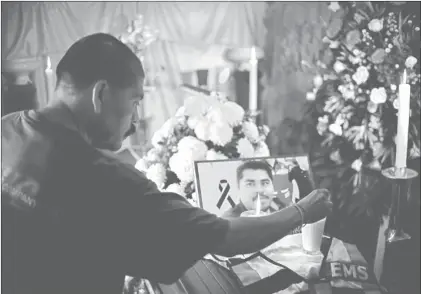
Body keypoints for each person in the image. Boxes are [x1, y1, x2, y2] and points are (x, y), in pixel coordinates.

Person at [1, 33, 333, 294]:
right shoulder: (106, 180)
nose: (133, 121)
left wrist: (205, 222)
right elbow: (229, 240)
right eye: (134, 101)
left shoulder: (7, 126)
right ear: (100, 94)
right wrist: (302, 211)